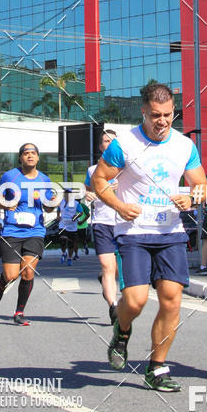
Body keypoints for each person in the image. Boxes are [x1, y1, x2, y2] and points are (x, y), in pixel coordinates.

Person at [93, 81, 207, 392]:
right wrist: (118, 205)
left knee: (171, 301)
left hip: (170, 231)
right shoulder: (125, 144)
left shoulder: (184, 145)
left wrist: (192, 198)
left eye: (169, 115)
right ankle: (123, 328)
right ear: (143, 111)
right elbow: (99, 180)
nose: (163, 121)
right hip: (134, 231)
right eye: (156, 115)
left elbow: (200, 183)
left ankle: (156, 367)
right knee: (136, 299)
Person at [0, 143, 54, 325]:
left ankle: (19, 311)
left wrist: (53, 203)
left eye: (33, 153)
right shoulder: (10, 176)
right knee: (12, 275)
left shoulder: (44, 180)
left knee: (28, 272)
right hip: (12, 230)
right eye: (26, 153)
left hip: (35, 231)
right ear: (20, 157)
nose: (30, 156)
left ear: (38, 157)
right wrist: (5, 204)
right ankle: (2, 283)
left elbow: (49, 208)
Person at [85, 129, 119, 323]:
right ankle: (113, 306)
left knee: (116, 269)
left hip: (124, 222)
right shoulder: (92, 170)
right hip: (102, 221)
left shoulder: (127, 168)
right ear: (101, 146)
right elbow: (88, 191)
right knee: (107, 265)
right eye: (105, 141)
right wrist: (88, 195)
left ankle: (105, 281)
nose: (109, 143)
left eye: (112, 141)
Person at [58, 194, 88, 266]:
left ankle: (70, 258)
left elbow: (81, 213)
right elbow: (58, 209)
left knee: (71, 243)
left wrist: (76, 217)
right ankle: (64, 253)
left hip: (73, 225)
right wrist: (57, 216)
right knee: (62, 239)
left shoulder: (76, 204)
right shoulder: (62, 202)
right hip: (63, 224)